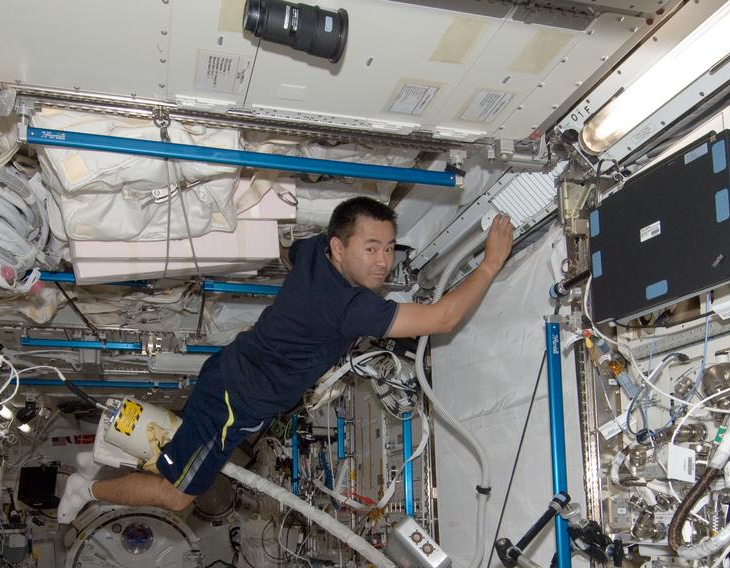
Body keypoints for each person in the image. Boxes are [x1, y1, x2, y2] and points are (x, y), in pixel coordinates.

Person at [56, 197, 514, 523]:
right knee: (178, 498)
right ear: (339, 246)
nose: (383, 262)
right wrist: (490, 263)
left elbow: (290, 250)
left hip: (235, 380)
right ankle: (89, 489)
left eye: (389, 248)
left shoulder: (315, 252)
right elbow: (444, 318)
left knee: (182, 450)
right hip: (231, 403)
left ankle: (98, 468)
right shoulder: (350, 306)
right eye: (370, 248)